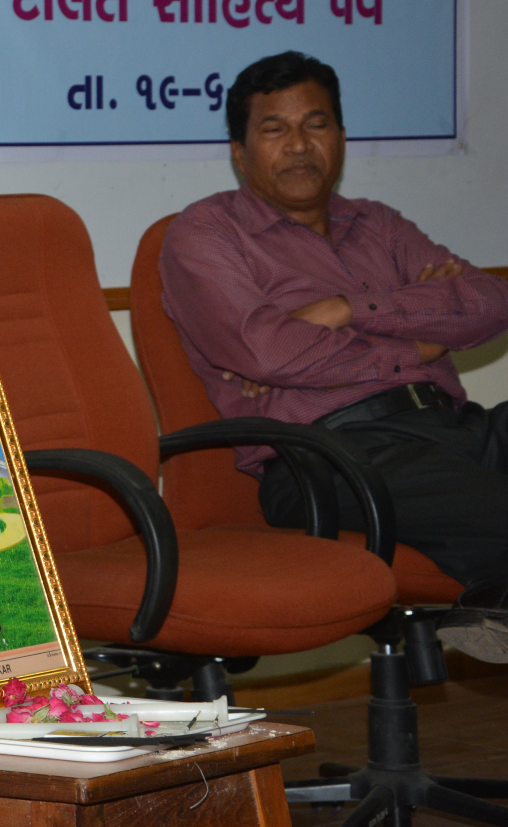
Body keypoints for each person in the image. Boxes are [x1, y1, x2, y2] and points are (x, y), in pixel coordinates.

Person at [160, 51, 508, 661]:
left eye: (315, 125)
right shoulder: (206, 232)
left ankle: (492, 599)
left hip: (449, 425)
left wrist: (346, 309)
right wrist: (419, 339)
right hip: (331, 456)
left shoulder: (380, 225)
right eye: (275, 129)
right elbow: (267, 350)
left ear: (341, 138)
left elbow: (489, 303)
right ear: (239, 151)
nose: (299, 145)